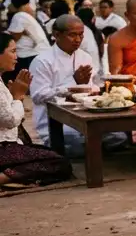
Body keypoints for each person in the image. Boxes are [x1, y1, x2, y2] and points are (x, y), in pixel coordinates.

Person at [30, 14, 126, 152]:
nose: (78, 40)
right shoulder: (42, 61)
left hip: (85, 118)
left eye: (81, 35)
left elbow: (90, 88)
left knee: (119, 137)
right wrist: (72, 84)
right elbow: (38, 96)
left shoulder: (85, 57)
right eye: (72, 35)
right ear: (57, 34)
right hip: (57, 124)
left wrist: (99, 91)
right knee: (78, 144)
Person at [0, 34, 72, 188]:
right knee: (59, 163)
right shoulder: (43, 61)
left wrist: (12, 97)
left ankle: (13, 176)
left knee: (49, 154)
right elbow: (11, 120)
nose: (16, 57)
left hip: (9, 145)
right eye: (12, 51)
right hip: (3, 148)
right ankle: (3, 177)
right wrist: (18, 97)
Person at [5, 0, 49, 82]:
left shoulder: (19, 15)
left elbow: (14, 37)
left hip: (31, 55)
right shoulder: (26, 16)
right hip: (37, 53)